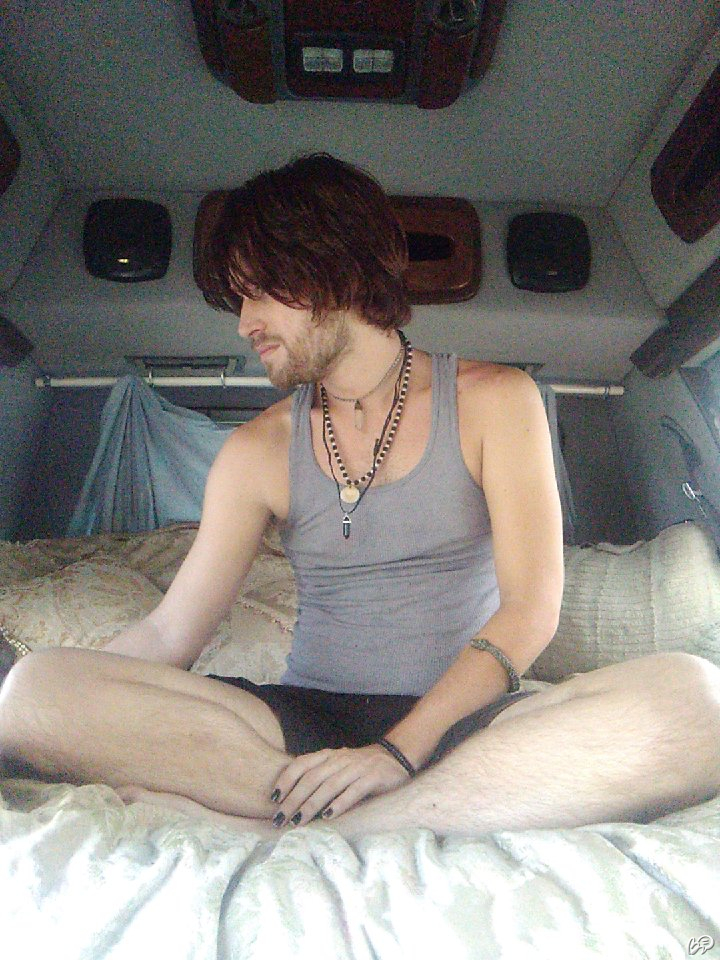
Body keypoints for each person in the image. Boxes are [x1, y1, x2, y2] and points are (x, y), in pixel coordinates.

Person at [1, 154, 719, 842]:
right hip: (294, 728)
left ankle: (332, 824)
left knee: (697, 700)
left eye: (259, 292)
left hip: (464, 725)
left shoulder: (499, 399)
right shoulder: (255, 450)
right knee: (36, 689)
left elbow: (531, 610)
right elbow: (167, 636)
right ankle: (363, 811)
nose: (245, 322)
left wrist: (395, 754)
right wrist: (74, 700)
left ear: (335, 270)